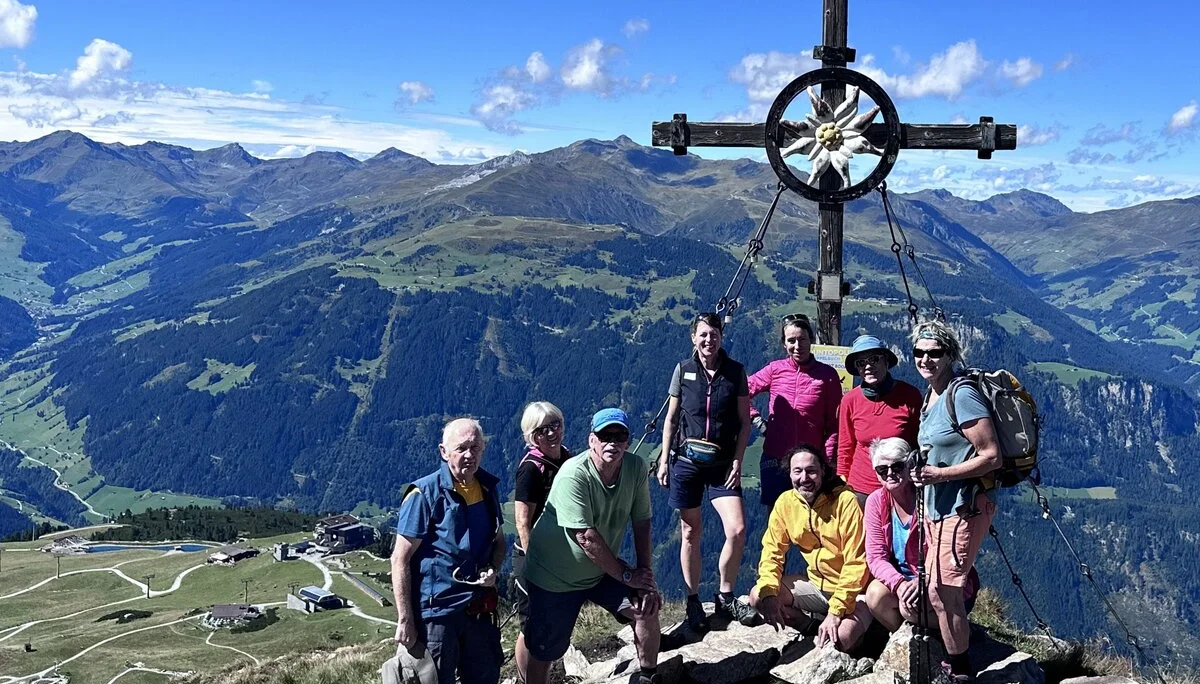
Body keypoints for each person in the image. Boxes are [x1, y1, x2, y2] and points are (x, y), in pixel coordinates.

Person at [519, 408, 662, 684]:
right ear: (591, 440)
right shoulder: (574, 474)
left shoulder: (635, 469)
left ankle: (648, 676)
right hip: (554, 578)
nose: (612, 442)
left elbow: (642, 521)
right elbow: (585, 537)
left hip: (599, 570)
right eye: (605, 435)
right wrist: (628, 576)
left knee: (645, 607)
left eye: (619, 435)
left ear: (628, 441)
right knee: (545, 649)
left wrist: (644, 576)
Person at [910, 320, 1001, 682]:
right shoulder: (930, 395)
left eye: (935, 353)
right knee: (937, 588)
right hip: (938, 506)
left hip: (963, 505)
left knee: (943, 589)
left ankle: (959, 671)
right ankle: (955, 659)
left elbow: (991, 455)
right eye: (919, 352)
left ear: (950, 354)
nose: (926, 359)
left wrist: (939, 476)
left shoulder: (960, 394)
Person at [657, 312, 757, 631]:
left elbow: (744, 423)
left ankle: (725, 595)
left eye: (714, 334)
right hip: (686, 462)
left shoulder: (735, 373)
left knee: (737, 529)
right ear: (693, 338)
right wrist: (662, 459)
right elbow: (671, 419)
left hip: (722, 465)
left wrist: (739, 461)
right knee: (690, 532)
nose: (708, 340)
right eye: (703, 335)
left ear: (721, 337)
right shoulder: (683, 370)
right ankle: (692, 601)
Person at [391, 418, 506, 684]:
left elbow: (499, 542)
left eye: (475, 448)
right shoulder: (423, 494)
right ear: (444, 452)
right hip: (437, 615)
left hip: (478, 610)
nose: (469, 455)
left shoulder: (488, 488)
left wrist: (494, 569)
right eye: (461, 448)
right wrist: (405, 618)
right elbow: (400, 558)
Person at [749, 444, 873, 652]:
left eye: (811, 471)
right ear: (789, 474)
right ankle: (810, 627)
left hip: (856, 591)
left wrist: (836, 611)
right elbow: (772, 552)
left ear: (823, 471)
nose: (804, 478)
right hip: (817, 586)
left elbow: (856, 561)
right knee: (758, 596)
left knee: (839, 640)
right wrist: (769, 592)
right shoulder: (786, 503)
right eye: (797, 471)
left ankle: (864, 637)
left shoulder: (845, 501)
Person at [864, 437, 980, 633]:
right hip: (904, 582)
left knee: (909, 609)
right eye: (882, 470)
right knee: (875, 596)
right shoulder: (876, 502)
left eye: (897, 467)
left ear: (909, 465)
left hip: (939, 580)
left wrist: (922, 581)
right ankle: (917, 638)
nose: (890, 473)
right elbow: (875, 557)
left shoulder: (929, 496)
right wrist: (899, 584)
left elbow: (944, 548)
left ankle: (958, 635)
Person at [747, 313, 840, 508]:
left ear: (811, 340)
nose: (797, 346)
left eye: (802, 339)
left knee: (811, 522)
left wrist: (828, 461)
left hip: (810, 463)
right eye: (791, 341)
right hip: (775, 458)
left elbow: (834, 423)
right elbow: (741, 392)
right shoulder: (775, 369)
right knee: (777, 523)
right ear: (784, 344)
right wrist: (757, 421)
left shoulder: (827, 375)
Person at [512, 401, 573, 679]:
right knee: (532, 626)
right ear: (531, 436)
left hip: (559, 553)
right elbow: (523, 522)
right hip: (534, 557)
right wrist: (534, 561)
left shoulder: (566, 458)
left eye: (555, 425)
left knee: (549, 622)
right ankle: (528, 680)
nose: (551, 433)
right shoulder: (531, 469)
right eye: (541, 430)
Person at [837, 335, 922, 505]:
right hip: (860, 488)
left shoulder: (909, 396)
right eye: (861, 363)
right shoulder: (850, 400)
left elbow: (918, 443)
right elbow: (845, 446)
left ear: (885, 361)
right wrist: (843, 486)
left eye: (874, 360)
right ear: (857, 368)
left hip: (900, 485)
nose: (868, 366)